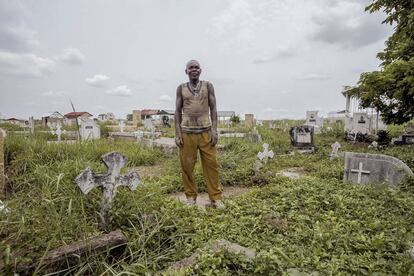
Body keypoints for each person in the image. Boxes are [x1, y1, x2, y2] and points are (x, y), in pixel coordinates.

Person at [174, 60, 224, 209]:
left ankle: (216, 198)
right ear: (186, 71)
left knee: (211, 165)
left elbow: (214, 109)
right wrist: (177, 133)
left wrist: (214, 130)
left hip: (206, 132)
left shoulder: (208, 86)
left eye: (196, 67)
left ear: (200, 70)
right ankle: (190, 198)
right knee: (187, 167)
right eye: (191, 68)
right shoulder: (181, 88)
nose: (194, 70)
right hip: (187, 133)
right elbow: (177, 111)